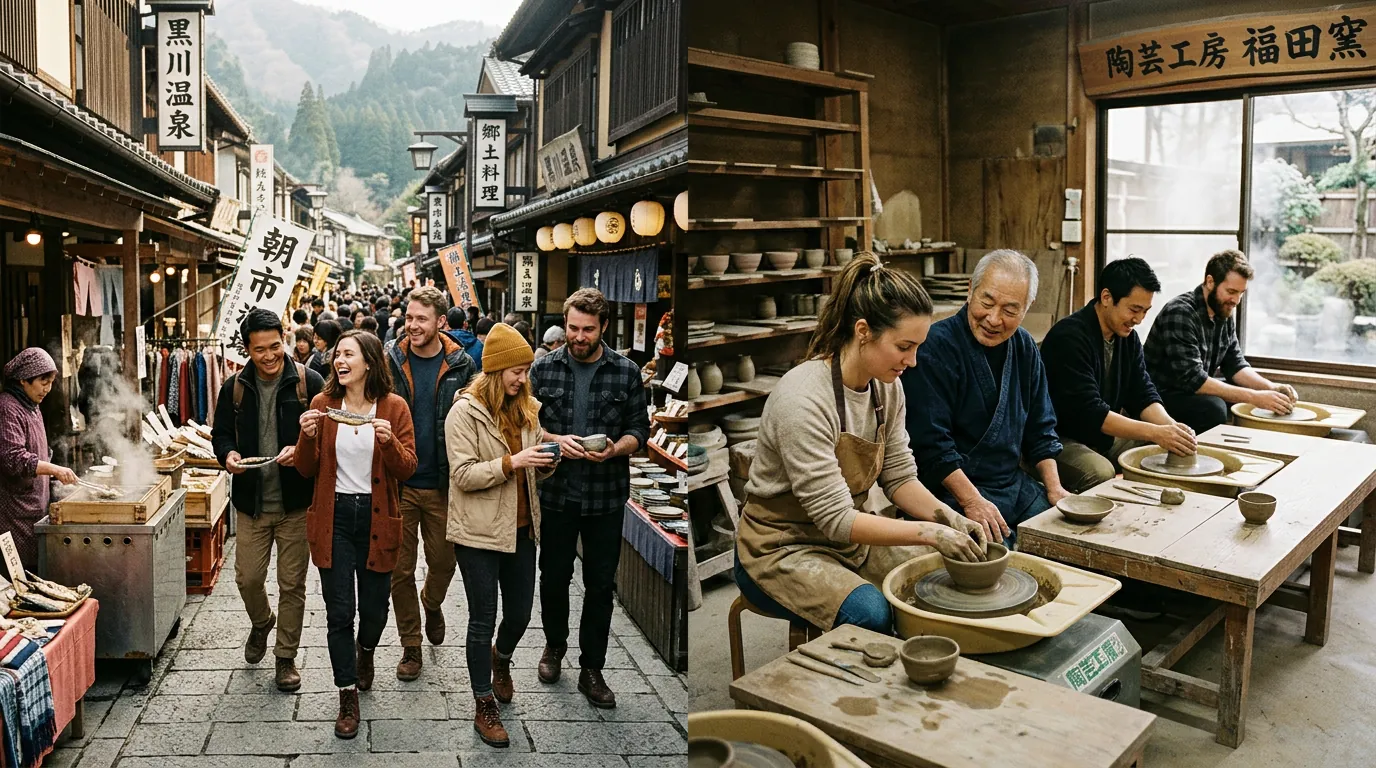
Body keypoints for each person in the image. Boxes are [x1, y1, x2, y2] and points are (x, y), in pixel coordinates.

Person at [735, 255, 986, 635]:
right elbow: (835, 518)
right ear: (864, 330)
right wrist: (927, 532)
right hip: (779, 549)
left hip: (848, 541)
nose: (913, 361)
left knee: (940, 575)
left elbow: (900, 476)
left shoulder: (888, 387)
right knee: (871, 613)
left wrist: (948, 517)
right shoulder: (803, 399)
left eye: (918, 347)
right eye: (904, 346)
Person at [530, 288, 650, 708]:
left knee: (600, 585)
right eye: (573, 328)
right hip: (557, 491)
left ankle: (592, 667)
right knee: (554, 577)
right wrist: (555, 439)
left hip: (606, 496)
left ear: (603, 329)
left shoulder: (626, 371)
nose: (578, 337)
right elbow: (525, 424)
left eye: (587, 330)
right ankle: (554, 647)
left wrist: (617, 449)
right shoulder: (543, 369)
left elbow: (640, 430)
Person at [295, 330, 417, 739]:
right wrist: (306, 437)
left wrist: (389, 445)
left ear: (368, 361)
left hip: (378, 517)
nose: (339, 361)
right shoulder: (323, 405)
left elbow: (407, 467)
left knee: (376, 611)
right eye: (337, 355)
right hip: (335, 517)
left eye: (348, 354)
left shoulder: (394, 408)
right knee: (339, 611)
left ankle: (366, 652)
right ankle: (346, 693)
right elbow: (305, 469)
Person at [906, 249, 1068, 546]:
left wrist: (1055, 489)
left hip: (1012, 486)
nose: (993, 319)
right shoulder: (934, 347)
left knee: (1064, 541)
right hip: (951, 492)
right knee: (996, 564)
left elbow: (1041, 429)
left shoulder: (1024, 347)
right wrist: (972, 501)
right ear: (970, 290)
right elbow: (931, 446)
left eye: (1009, 310)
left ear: (1027, 307)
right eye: (987, 302)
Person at [445, 323, 555, 747]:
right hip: (477, 532)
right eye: (516, 371)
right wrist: (512, 463)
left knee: (522, 613)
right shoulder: (465, 412)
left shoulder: (527, 407)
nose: (522, 378)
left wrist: (546, 462)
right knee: (481, 619)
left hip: (523, 528)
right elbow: (463, 475)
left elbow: (534, 460)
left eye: (526, 370)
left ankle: (501, 658)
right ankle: (483, 702)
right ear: (495, 371)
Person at [211, 309, 326, 692]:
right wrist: (227, 457)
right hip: (253, 503)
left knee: (292, 584)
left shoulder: (309, 383)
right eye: (260, 349)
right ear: (247, 349)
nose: (269, 355)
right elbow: (221, 434)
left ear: (285, 339)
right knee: (247, 578)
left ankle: (285, 658)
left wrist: (304, 449)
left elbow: (328, 436)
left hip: (296, 504)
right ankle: (262, 622)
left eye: (275, 345)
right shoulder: (235, 388)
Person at [383, 286, 477, 681]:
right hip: (398, 483)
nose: (413, 325)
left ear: (441, 321)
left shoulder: (462, 364)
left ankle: (432, 602)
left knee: (442, 561)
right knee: (398, 571)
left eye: (422, 318)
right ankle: (411, 645)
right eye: (409, 317)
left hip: (442, 484)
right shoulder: (390, 359)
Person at [1042, 259, 1199, 492]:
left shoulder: (1128, 339)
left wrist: (1172, 428)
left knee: (1163, 449)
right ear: (1107, 298)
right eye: (1134, 309)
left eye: (1145, 311)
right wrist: (1157, 432)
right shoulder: (1068, 337)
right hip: (1060, 439)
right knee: (1101, 473)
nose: (1139, 320)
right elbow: (1090, 412)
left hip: (1100, 436)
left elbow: (1142, 393)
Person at [1143, 250, 1298, 434]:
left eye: (1241, 293)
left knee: (1246, 397)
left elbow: (1235, 365)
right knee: (1215, 408)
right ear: (1210, 282)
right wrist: (1255, 397)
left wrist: (1271, 388)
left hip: (1190, 391)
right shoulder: (1181, 312)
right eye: (1231, 292)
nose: (1236, 300)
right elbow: (1194, 380)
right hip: (1159, 396)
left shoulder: (1223, 312)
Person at [0, 349, 77, 571]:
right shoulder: (7, 407)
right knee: (18, 576)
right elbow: (12, 458)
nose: (47, 389)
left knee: (36, 571)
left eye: (51, 382)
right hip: (15, 512)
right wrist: (54, 469)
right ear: (24, 379)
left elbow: (41, 450)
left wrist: (57, 484)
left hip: (35, 506)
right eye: (43, 382)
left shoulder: (32, 406)